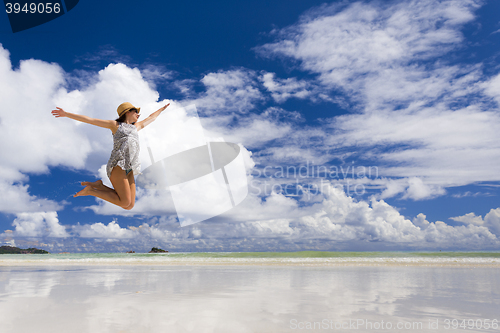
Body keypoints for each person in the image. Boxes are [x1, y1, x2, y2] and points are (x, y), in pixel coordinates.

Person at [51, 102, 170, 210]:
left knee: (130, 205)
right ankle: (92, 191)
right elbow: (90, 120)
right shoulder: (115, 125)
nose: (138, 115)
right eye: (136, 112)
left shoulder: (135, 127)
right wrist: (66, 114)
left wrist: (162, 109)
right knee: (124, 202)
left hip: (130, 167)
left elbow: (151, 118)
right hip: (117, 164)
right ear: (127, 112)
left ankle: (99, 186)